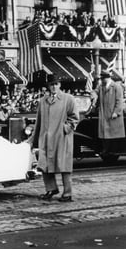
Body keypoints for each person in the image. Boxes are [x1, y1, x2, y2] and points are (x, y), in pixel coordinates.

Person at [30, 74, 79, 202]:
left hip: (61, 138)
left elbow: (74, 118)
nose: (54, 87)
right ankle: (51, 189)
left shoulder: (68, 99)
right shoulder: (43, 101)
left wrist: (66, 128)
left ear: (60, 85)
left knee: (64, 166)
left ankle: (67, 193)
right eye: (51, 84)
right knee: (45, 164)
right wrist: (35, 139)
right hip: (46, 138)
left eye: (56, 84)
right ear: (48, 86)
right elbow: (38, 121)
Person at [92, 70, 125, 156]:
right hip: (104, 114)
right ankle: (106, 150)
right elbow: (95, 91)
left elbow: (119, 101)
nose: (102, 80)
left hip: (113, 115)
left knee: (113, 135)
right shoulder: (101, 86)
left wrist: (116, 112)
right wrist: (94, 95)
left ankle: (112, 151)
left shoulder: (117, 87)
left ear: (107, 78)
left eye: (103, 79)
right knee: (105, 134)